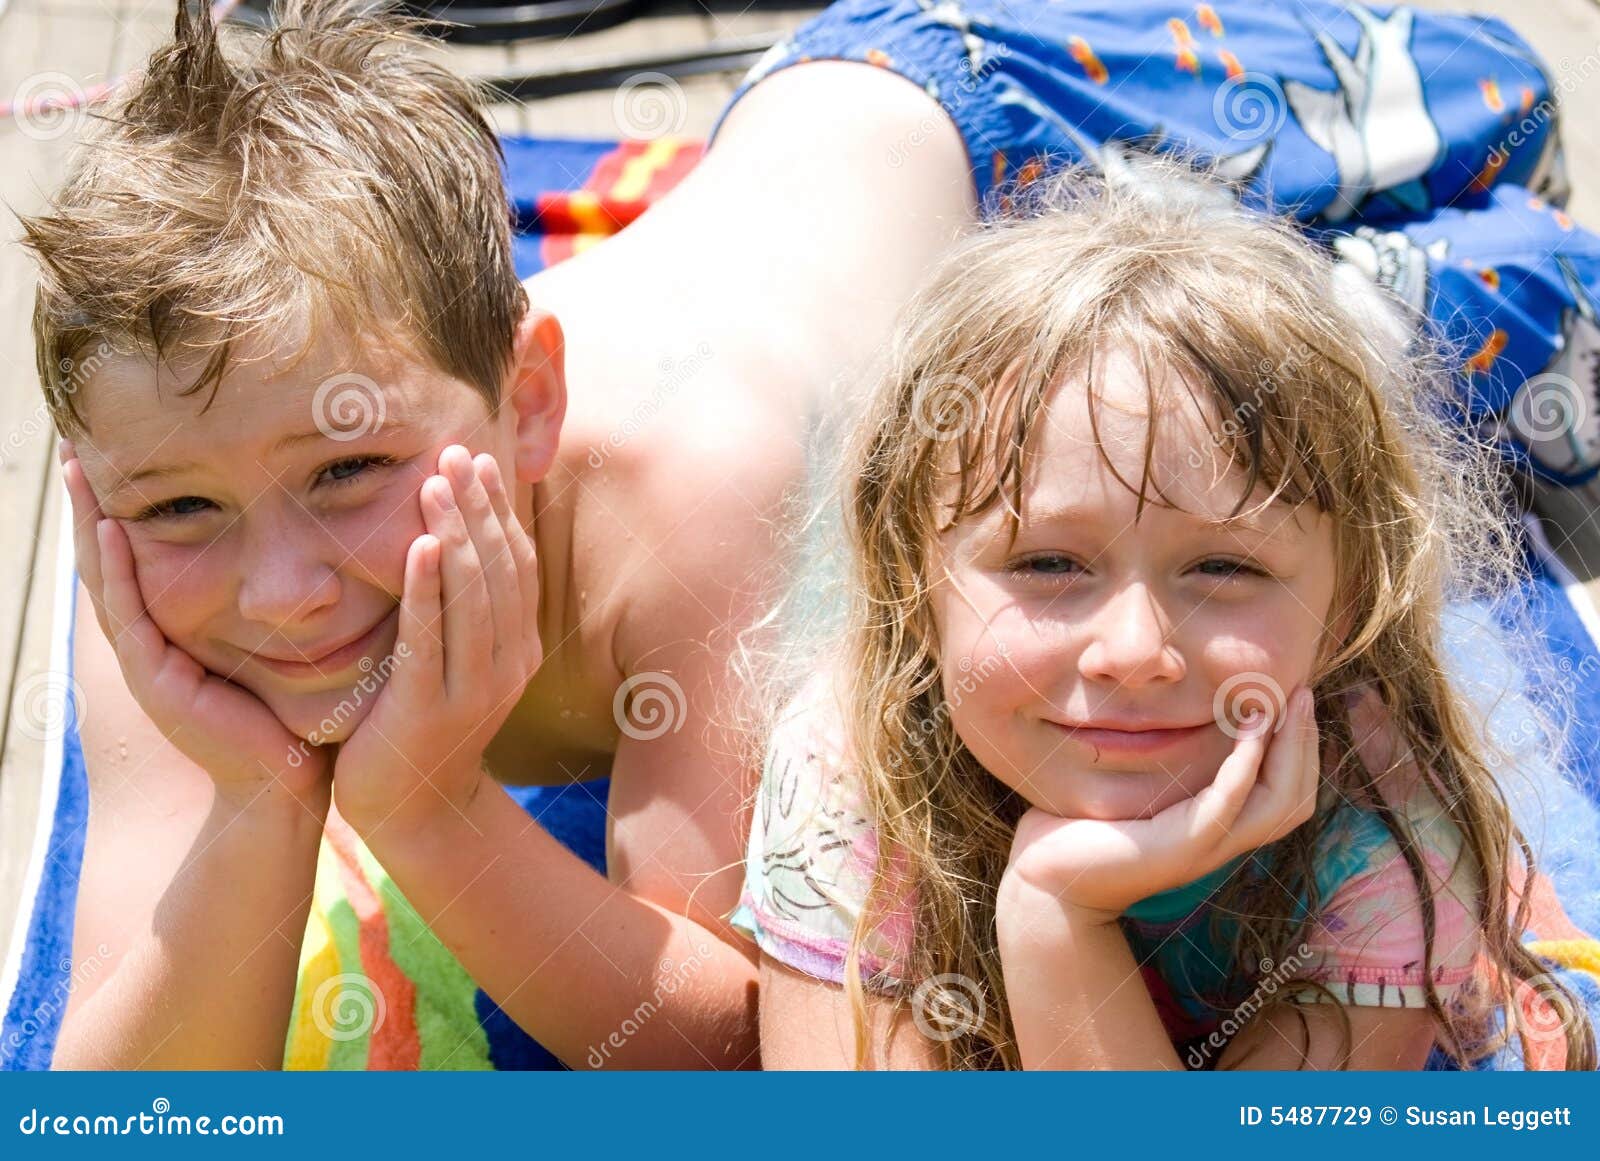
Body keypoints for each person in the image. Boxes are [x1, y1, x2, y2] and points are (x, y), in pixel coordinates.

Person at [23, 0, 1598, 1067]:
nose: (282, 589)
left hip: (970, 109)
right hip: (851, 261)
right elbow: (132, 1112)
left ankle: (1493, 246)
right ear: (113, 488)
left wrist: (429, 817)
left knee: (1485, 120)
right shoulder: (180, 546)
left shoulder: (701, 508)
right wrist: (253, 808)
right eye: (180, 509)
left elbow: (739, 1042)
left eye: (352, 477)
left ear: (526, 410)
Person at [736, 160, 1598, 1070]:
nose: (1136, 651)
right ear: (910, 585)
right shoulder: (849, 765)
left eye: (1224, 564)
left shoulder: (1385, 832)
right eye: (1049, 563)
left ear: (1350, 604)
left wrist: (1054, 916)